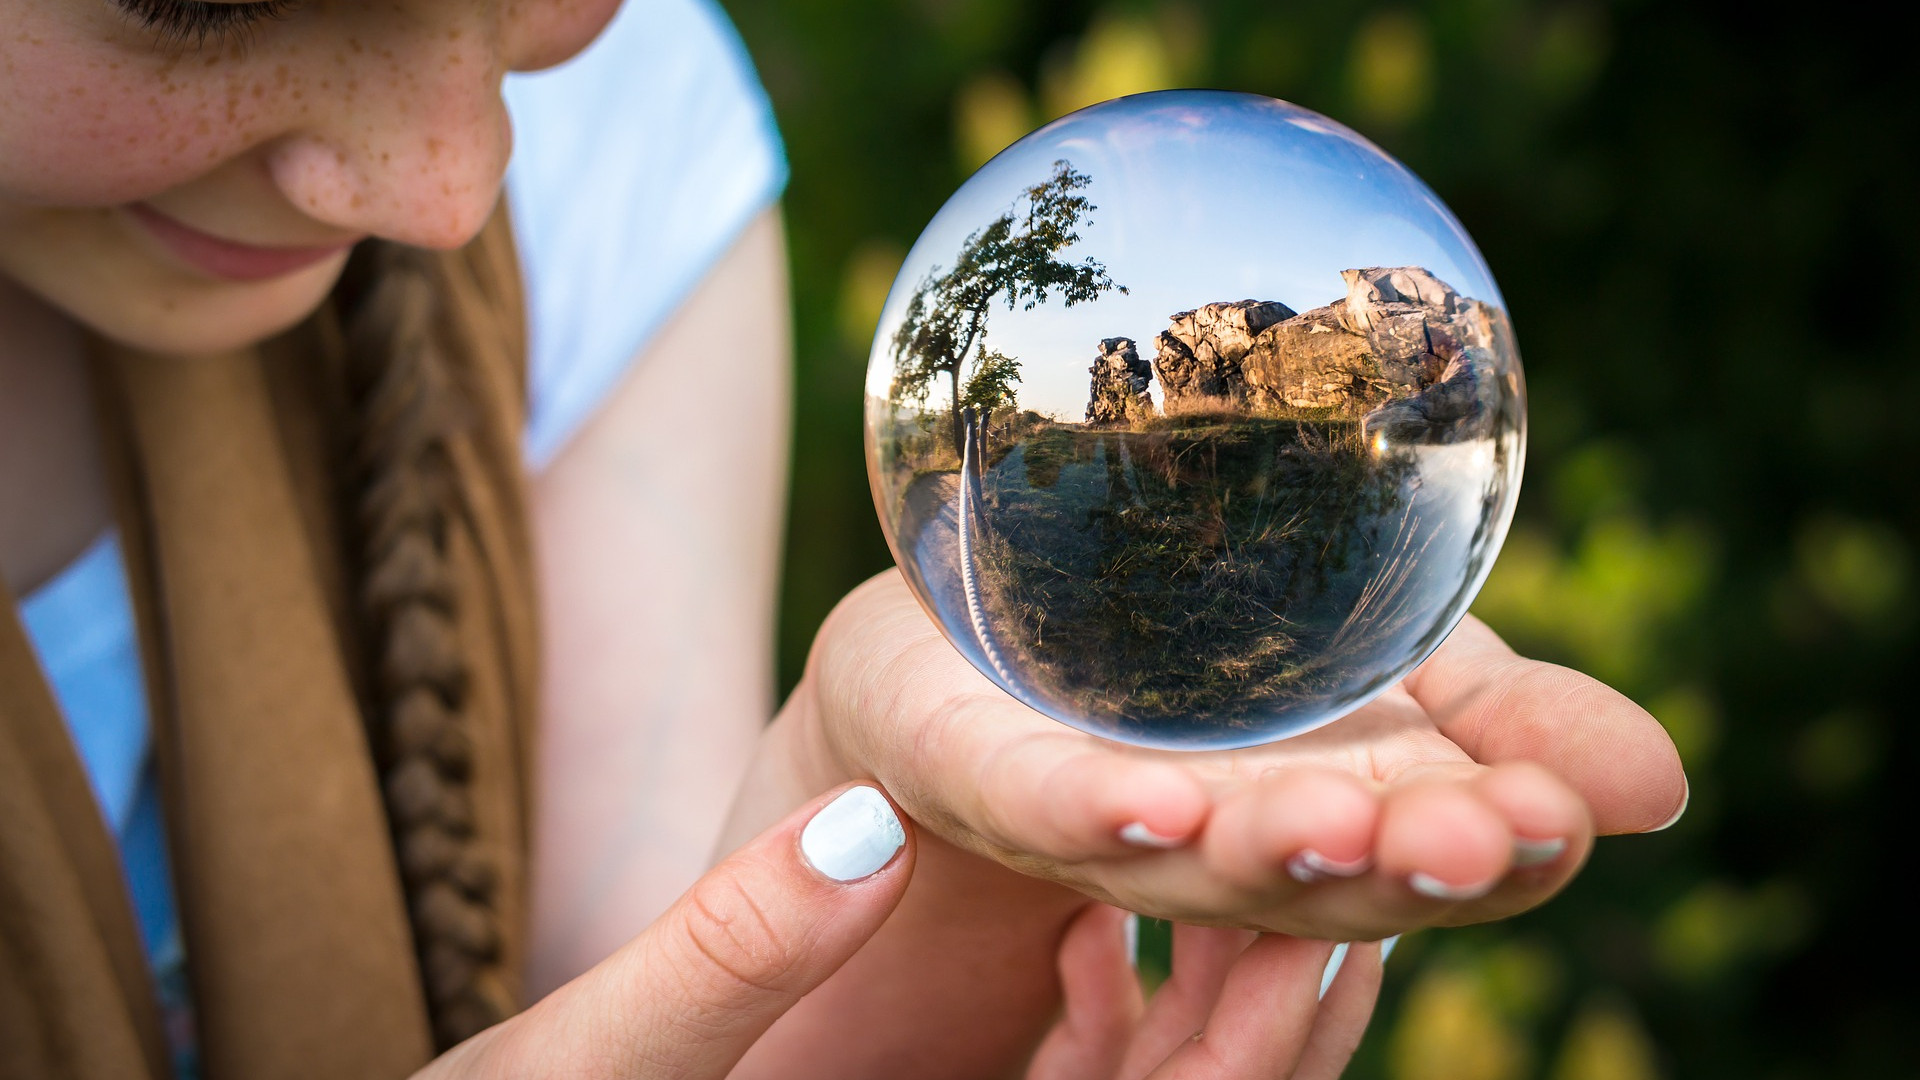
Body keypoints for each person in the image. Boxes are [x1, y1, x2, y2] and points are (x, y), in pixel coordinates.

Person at [0, 0, 1688, 1077]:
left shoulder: (619, 147)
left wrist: (917, 883)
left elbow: (626, 989)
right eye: (197, 2)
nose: (447, 188)